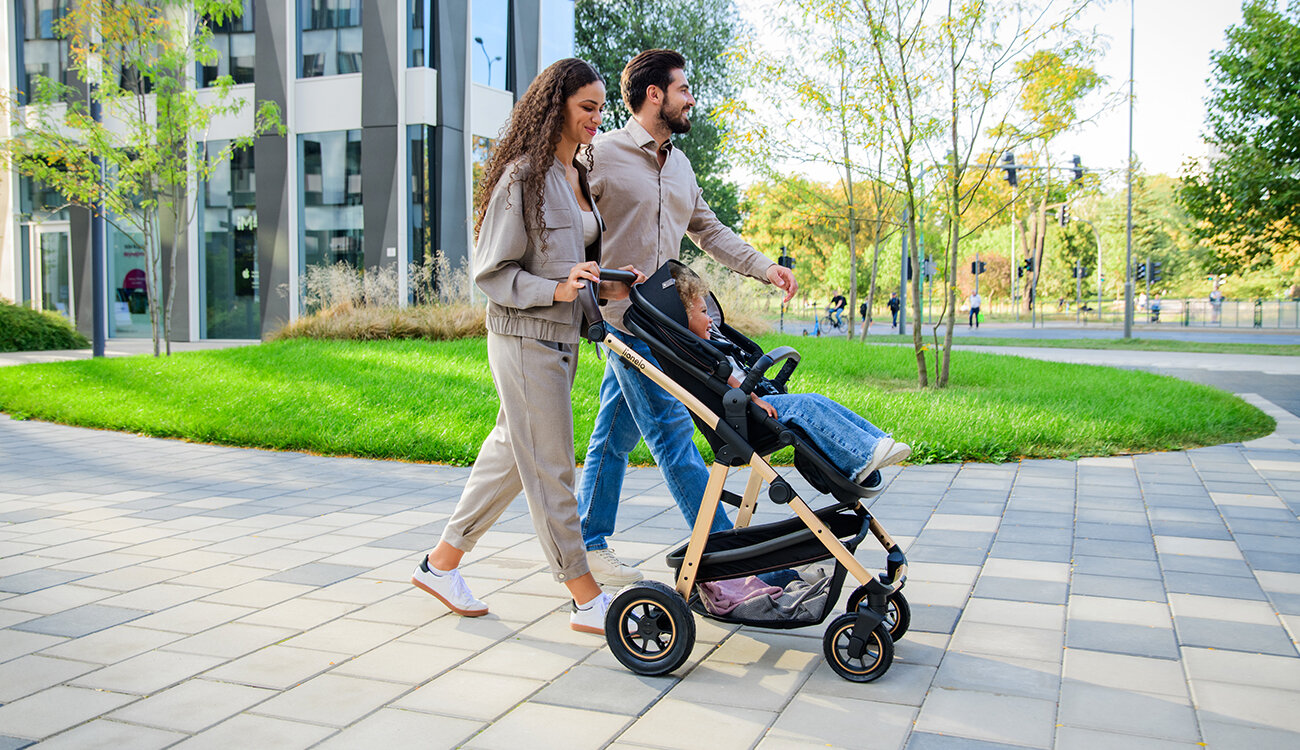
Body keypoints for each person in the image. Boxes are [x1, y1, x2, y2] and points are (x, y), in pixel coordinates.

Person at [409, 59, 643, 634]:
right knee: (553, 468)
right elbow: (491, 272)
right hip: (523, 339)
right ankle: (585, 595)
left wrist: (608, 280)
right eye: (586, 106)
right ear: (555, 106)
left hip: (560, 339)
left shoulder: (575, 173)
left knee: (514, 454)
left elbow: (568, 262)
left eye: (599, 107)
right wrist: (557, 287)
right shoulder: (523, 177)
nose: (597, 117)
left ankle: (441, 564)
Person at [575, 49, 798, 584]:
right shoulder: (599, 155)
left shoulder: (679, 165)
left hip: (668, 326)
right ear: (655, 95)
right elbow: (566, 225)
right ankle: (730, 561)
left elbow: (710, 231)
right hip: (624, 322)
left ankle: (587, 541)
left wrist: (765, 268)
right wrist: (589, 279)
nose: (691, 98)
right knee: (674, 434)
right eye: (683, 89)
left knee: (613, 435)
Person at [674, 265, 910, 484]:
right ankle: (865, 453)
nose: (710, 319)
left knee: (815, 401)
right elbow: (728, 379)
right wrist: (755, 399)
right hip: (744, 414)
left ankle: (877, 444)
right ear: (684, 318)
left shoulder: (711, 341)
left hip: (755, 403)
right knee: (805, 406)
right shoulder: (695, 351)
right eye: (703, 312)